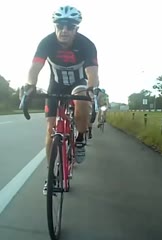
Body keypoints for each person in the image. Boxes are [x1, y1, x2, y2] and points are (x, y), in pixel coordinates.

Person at [21, 5, 99, 195]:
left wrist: (92, 90)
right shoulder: (46, 43)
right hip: (55, 85)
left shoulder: (87, 45)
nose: (64, 30)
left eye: (70, 27)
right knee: (50, 128)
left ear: (76, 29)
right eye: (60, 26)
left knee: (82, 99)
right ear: (55, 26)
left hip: (79, 84)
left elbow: (92, 74)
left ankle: (80, 138)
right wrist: (30, 85)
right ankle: (51, 175)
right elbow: (35, 68)